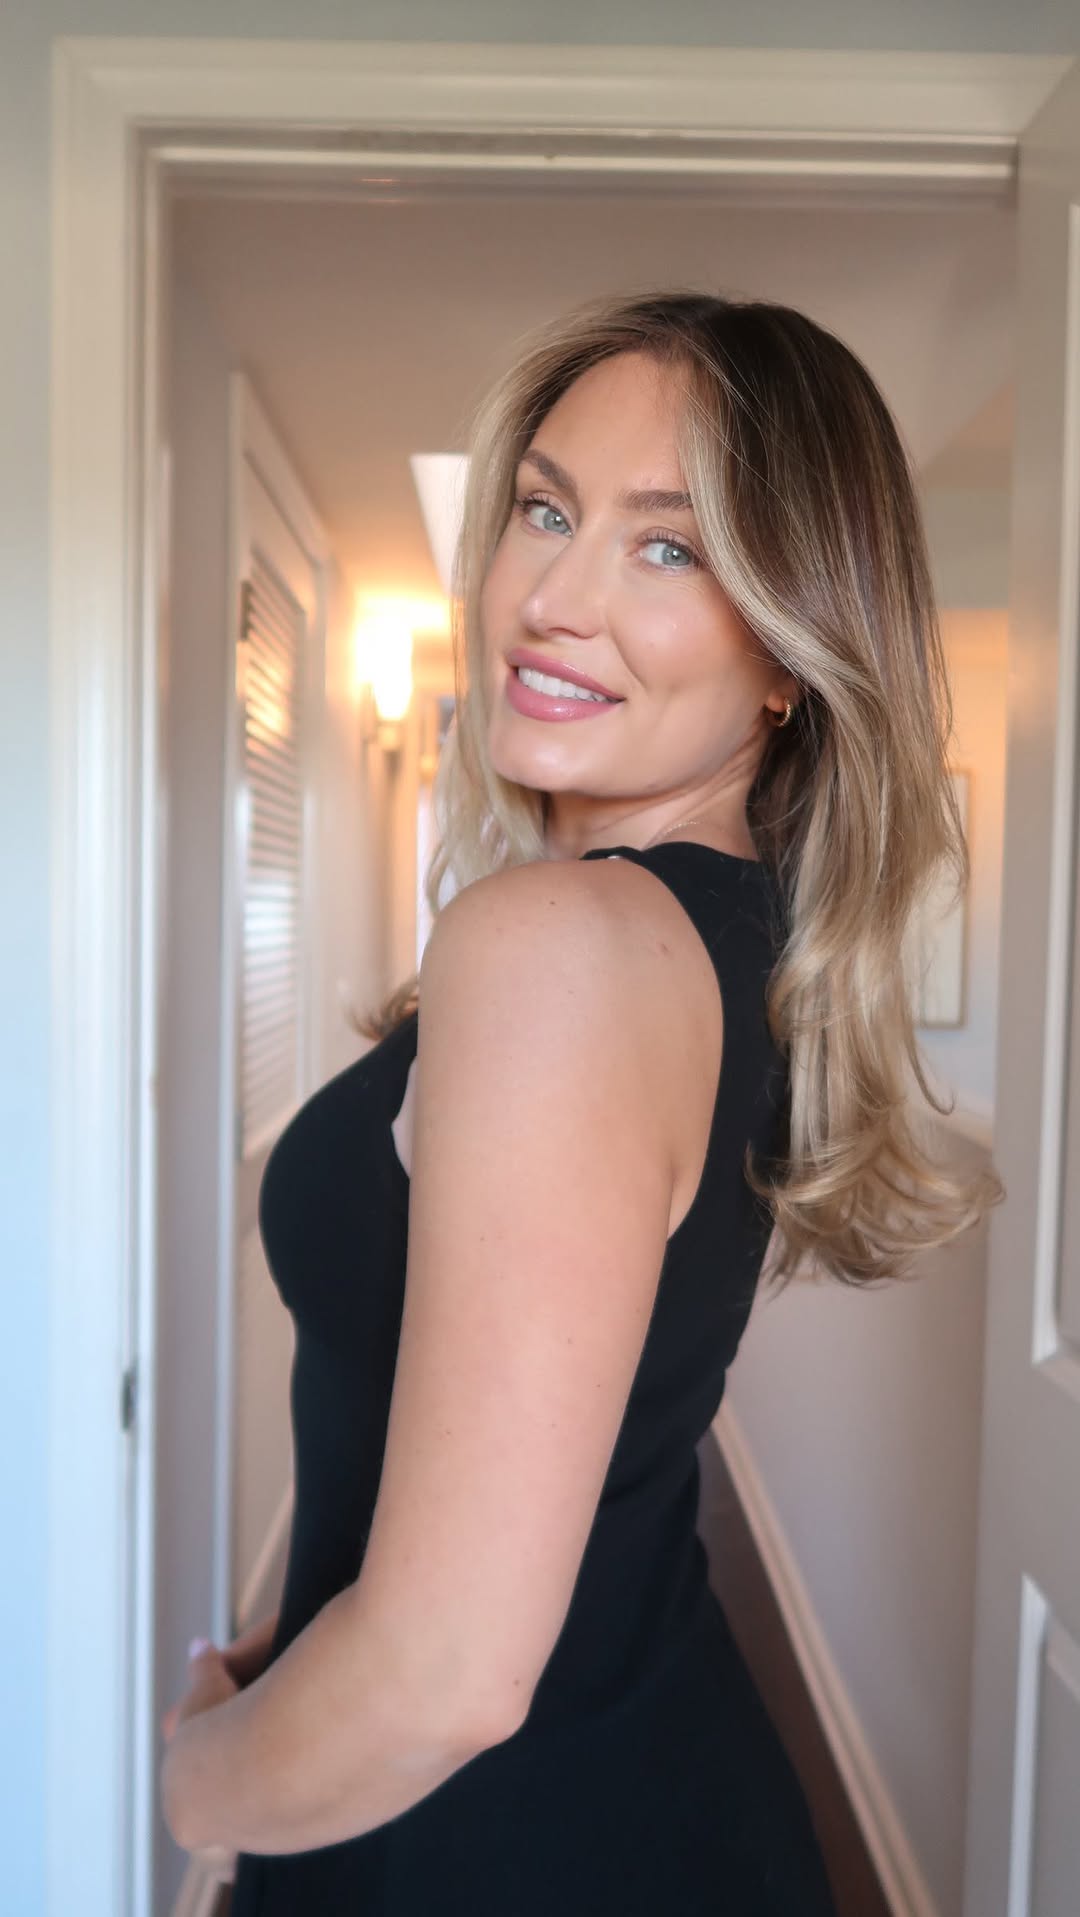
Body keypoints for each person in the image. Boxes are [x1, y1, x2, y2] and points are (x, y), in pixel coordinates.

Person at [160, 291, 1004, 1912]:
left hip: (515, 1847)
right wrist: (304, 1630)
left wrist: (195, 1781)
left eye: (668, 547)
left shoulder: (557, 948)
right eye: (545, 511)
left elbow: (445, 1674)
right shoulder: (728, 944)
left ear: (789, 659)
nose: (551, 599)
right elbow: (564, 1445)